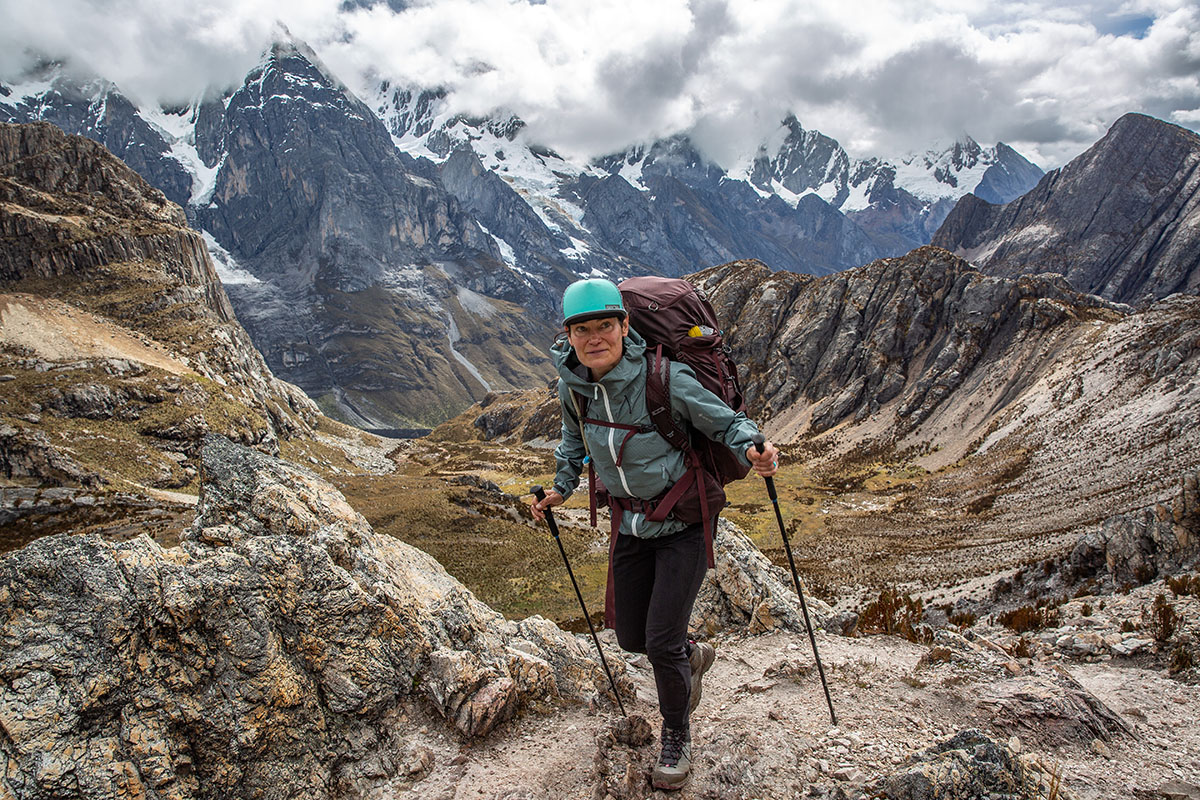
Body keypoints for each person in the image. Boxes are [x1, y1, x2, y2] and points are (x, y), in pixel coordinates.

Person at [530, 278, 779, 791]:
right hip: (629, 523)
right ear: (568, 336)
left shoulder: (665, 379)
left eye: (605, 325)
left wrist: (755, 447)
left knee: (660, 642)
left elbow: (726, 423)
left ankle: (676, 735)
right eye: (583, 328)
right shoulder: (572, 386)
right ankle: (693, 657)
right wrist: (559, 490)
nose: (595, 337)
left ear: (625, 326)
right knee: (630, 636)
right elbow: (572, 443)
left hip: (684, 523)